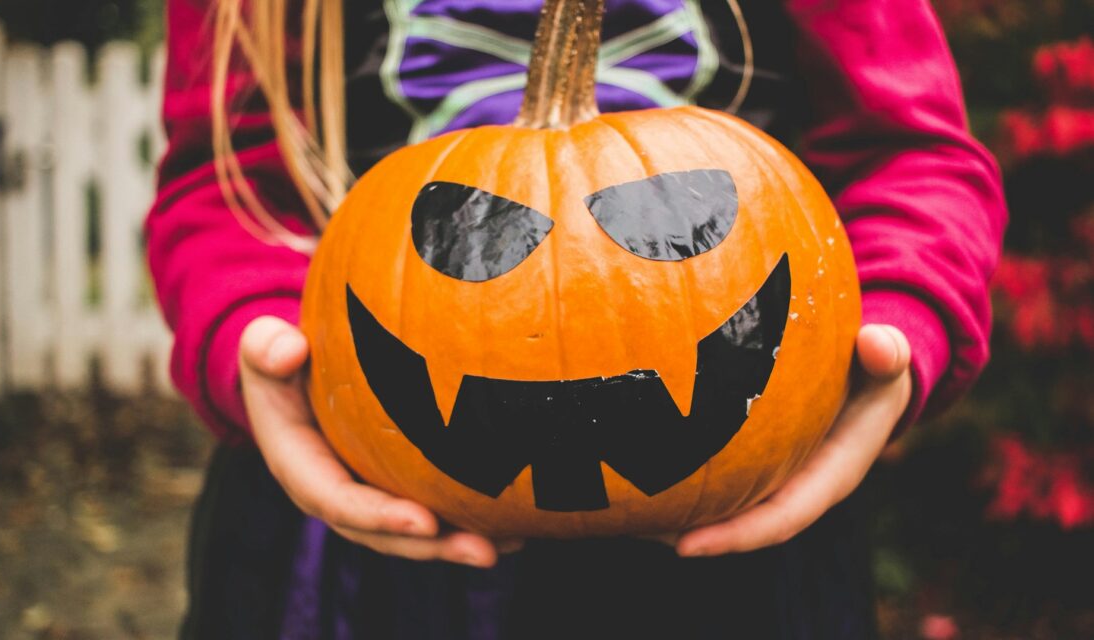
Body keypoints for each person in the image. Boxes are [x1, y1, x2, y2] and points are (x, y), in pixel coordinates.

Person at [147, 0, 1007, 637]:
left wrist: (899, 320)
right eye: (470, 236)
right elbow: (224, 185)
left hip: (745, 530)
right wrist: (251, 340)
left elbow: (913, 154)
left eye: (672, 223)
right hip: (356, 531)